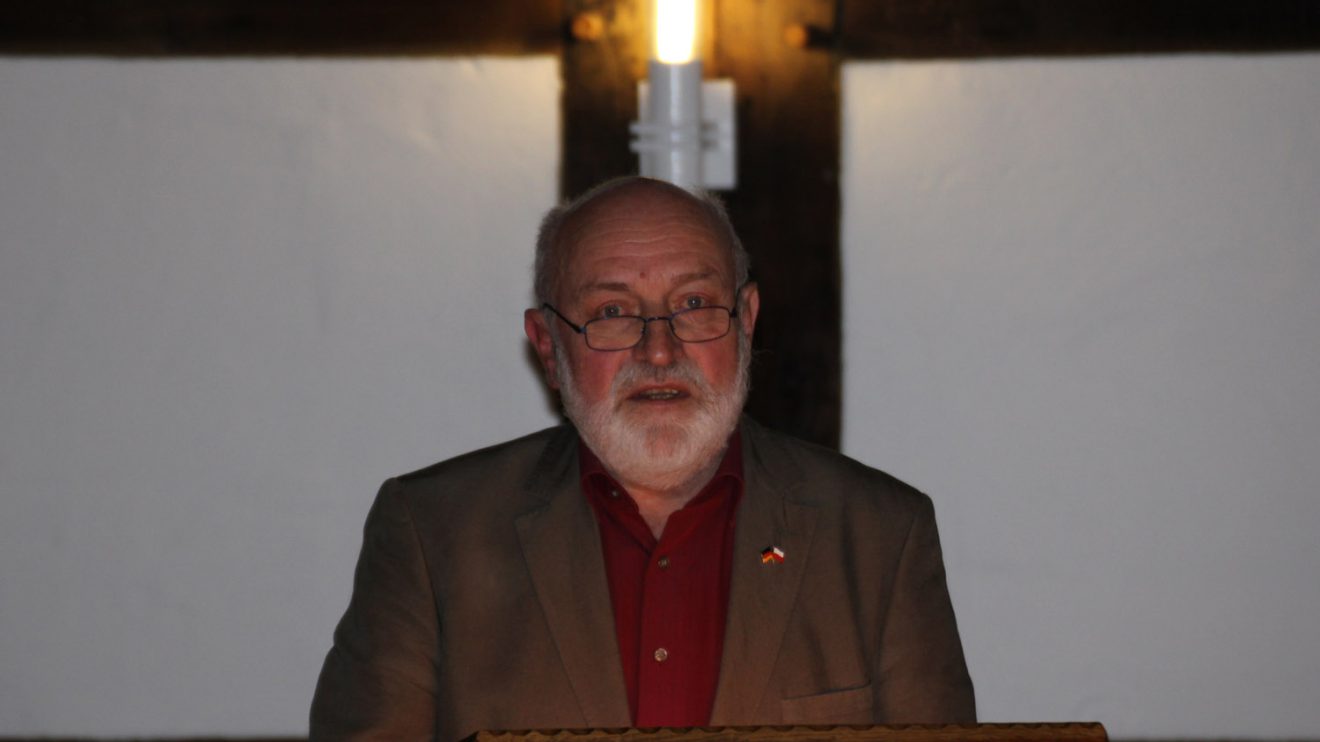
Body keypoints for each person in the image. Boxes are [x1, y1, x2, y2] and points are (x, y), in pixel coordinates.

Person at [310, 177, 974, 740]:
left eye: (693, 304)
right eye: (613, 312)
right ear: (547, 345)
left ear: (746, 319)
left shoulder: (880, 535)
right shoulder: (431, 535)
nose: (659, 350)